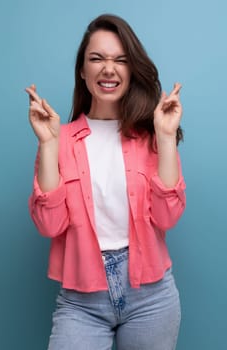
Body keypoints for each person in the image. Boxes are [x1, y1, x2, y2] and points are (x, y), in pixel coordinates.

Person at [26, 13, 186, 350]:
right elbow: (49, 225)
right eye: (96, 58)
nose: (108, 69)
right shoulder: (60, 138)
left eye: (120, 60)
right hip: (81, 299)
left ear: (130, 71)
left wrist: (167, 137)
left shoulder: (152, 136)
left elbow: (168, 217)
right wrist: (48, 143)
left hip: (151, 298)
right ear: (83, 71)